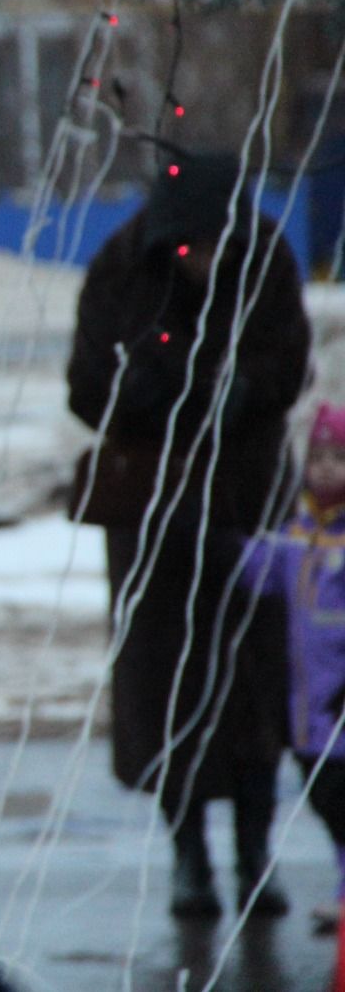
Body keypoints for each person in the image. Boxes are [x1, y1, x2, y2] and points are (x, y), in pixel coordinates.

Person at [66, 151, 310, 918]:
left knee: (255, 680)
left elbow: (289, 361)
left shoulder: (263, 255)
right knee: (168, 685)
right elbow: (83, 382)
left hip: (248, 501)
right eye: (186, 249)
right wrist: (130, 390)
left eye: (212, 246)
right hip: (154, 507)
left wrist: (246, 392)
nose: (200, 262)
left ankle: (253, 854)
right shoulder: (119, 267)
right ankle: (189, 857)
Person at [237, 402, 345, 934]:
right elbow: (262, 572)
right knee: (324, 796)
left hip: (340, 699)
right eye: (318, 456)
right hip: (309, 706)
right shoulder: (299, 532)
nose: (326, 468)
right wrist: (219, 544)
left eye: (339, 458)